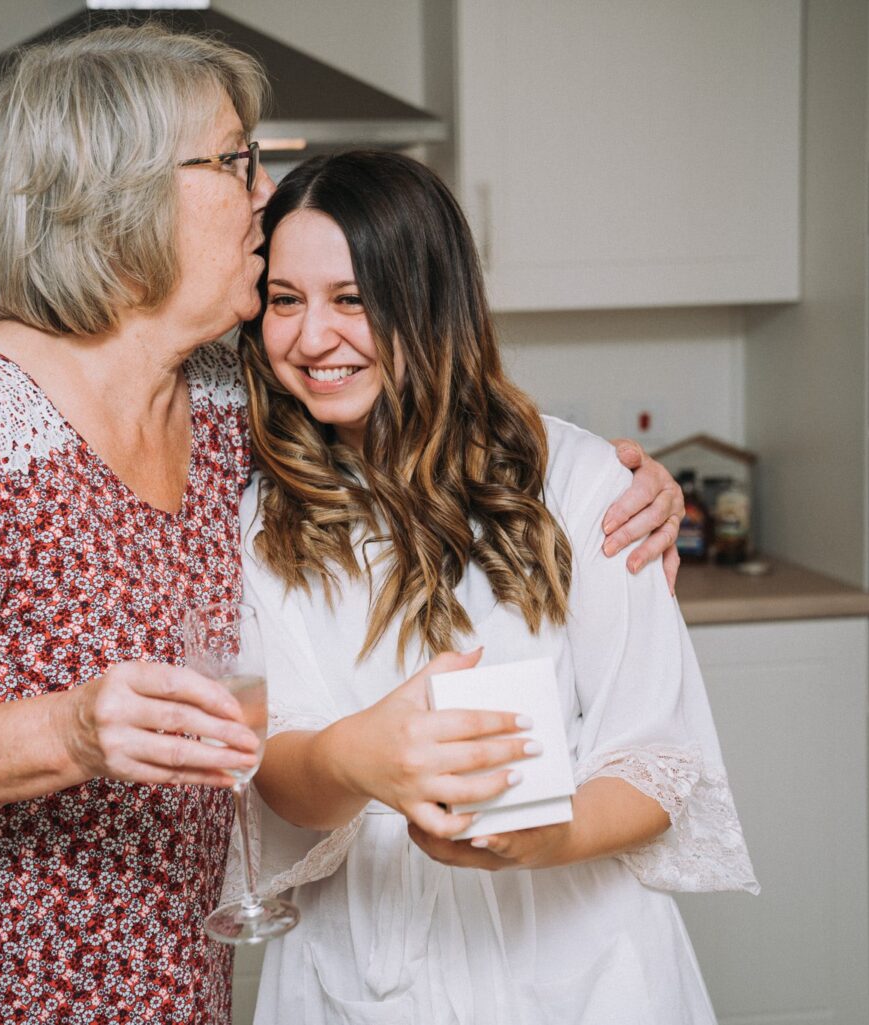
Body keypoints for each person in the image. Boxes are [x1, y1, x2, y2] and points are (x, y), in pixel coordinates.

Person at [0, 26, 684, 1025]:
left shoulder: (220, 401)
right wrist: (69, 729)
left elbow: (410, 402)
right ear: (117, 195)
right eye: (236, 161)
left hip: (136, 980)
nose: (265, 192)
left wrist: (609, 482)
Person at [234, 150, 759, 1025]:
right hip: (362, 970)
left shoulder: (583, 482)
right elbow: (278, 773)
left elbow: (658, 762)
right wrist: (355, 758)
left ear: (430, 301)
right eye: (285, 300)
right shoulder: (259, 517)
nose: (312, 337)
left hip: (582, 969)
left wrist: (541, 836)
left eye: (353, 299)